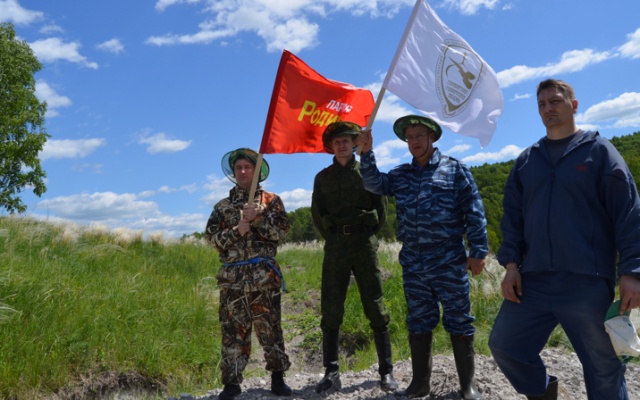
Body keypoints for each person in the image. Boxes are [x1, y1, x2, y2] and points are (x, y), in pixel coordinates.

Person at [488, 79, 640, 400]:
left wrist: (631, 272)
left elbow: (628, 212)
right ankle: (545, 393)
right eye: (542, 104)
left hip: (586, 280)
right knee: (505, 344)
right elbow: (512, 220)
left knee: (604, 368)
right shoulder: (527, 161)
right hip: (533, 281)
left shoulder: (599, 152)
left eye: (555, 101)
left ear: (574, 105)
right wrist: (511, 266)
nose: (548, 109)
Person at [358, 115, 488, 400]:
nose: (414, 141)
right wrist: (366, 154)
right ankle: (419, 384)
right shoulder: (401, 174)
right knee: (418, 321)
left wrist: (478, 251)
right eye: (409, 137)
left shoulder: (454, 170)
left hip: (449, 258)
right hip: (414, 262)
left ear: (432, 137)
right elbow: (373, 183)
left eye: (419, 136)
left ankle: (468, 386)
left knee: (460, 319)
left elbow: (474, 211)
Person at [311, 121, 397, 393]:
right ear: (331, 146)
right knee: (331, 306)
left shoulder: (367, 173)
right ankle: (331, 372)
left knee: (375, 303)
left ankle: (386, 371)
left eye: (346, 140)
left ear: (354, 143)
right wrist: (336, 236)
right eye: (336, 142)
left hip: (363, 243)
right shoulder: (322, 178)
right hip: (336, 245)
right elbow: (317, 214)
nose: (341, 145)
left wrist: (364, 234)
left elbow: (380, 212)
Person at [205, 148, 293, 400]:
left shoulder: (272, 201)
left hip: (264, 279)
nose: (243, 171)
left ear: (256, 171)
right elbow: (212, 240)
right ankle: (231, 384)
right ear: (233, 172)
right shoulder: (222, 207)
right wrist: (237, 231)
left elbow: (281, 232)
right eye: (239, 168)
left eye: (247, 167)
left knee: (270, 329)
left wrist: (258, 219)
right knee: (232, 333)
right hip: (233, 282)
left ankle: (278, 378)